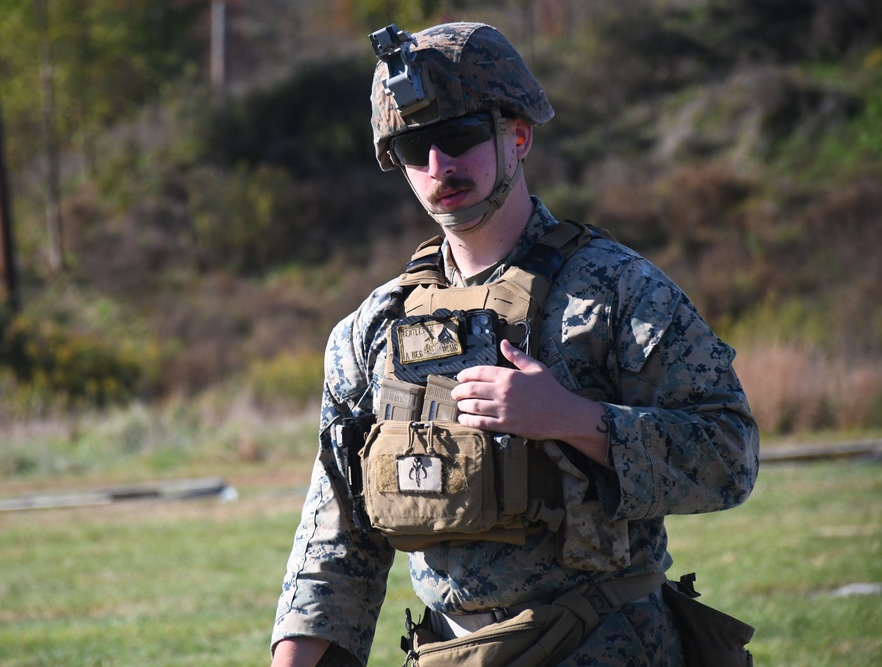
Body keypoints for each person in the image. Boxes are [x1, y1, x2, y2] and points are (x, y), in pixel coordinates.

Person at [271, 21, 759, 667]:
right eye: (416, 149)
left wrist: (576, 420)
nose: (440, 165)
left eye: (462, 136)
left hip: (609, 647)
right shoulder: (372, 329)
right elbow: (335, 538)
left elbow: (730, 457)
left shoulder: (616, 292)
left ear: (519, 135)